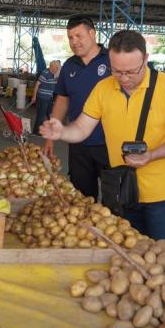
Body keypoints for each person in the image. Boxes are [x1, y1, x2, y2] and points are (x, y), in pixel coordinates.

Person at [40, 30, 165, 248]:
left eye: (132, 71)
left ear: (146, 59)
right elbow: (83, 128)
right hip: (122, 191)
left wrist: (152, 155)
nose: (124, 78)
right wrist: (61, 132)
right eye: (117, 71)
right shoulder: (103, 88)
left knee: (163, 260)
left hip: (162, 195)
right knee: (125, 257)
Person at [45, 15, 112, 199]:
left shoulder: (111, 60)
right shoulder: (69, 65)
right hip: (78, 144)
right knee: (81, 198)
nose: (74, 42)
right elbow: (62, 100)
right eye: (70, 38)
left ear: (92, 33)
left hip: (109, 143)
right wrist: (51, 136)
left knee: (115, 201)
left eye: (78, 36)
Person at [30, 60, 61, 134]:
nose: (57, 70)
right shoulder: (45, 73)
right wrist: (34, 96)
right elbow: (37, 84)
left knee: (50, 114)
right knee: (41, 116)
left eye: (58, 68)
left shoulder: (54, 74)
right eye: (56, 68)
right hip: (42, 98)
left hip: (49, 98)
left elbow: (54, 82)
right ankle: (36, 132)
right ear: (52, 67)